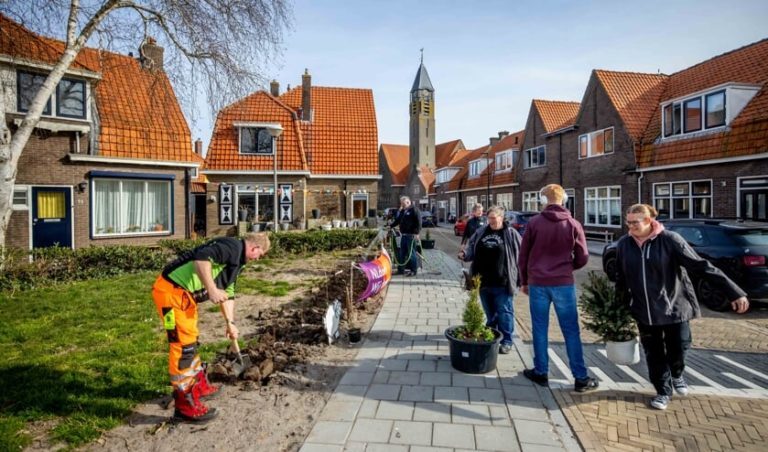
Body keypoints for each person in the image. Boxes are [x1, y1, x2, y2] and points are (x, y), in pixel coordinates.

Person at [615, 204, 749, 410]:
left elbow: (701, 266)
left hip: (674, 307)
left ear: (649, 221)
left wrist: (734, 291)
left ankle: (677, 373)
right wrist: (620, 307)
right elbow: (622, 277)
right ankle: (662, 391)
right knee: (653, 353)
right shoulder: (624, 244)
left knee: (679, 347)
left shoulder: (669, 240)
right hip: (644, 311)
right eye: (628, 222)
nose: (630, 226)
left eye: (635, 222)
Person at [152, 232, 270, 422]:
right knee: (182, 347)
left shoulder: (237, 261)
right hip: (170, 293)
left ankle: (198, 386)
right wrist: (212, 289)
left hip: (183, 296)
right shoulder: (233, 247)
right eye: (260, 255)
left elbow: (228, 293)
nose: (258, 259)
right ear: (255, 248)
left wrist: (230, 323)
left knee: (191, 341)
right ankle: (184, 404)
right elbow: (201, 259)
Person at [518, 184, 598, 392]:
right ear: (563, 200)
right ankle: (580, 378)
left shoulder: (534, 223)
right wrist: (567, 268)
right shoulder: (573, 224)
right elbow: (583, 257)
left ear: (543, 201)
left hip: (538, 284)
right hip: (563, 283)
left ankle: (541, 372)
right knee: (571, 330)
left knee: (539, 328)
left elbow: (523, 256)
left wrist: (524, 280)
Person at [458, 205, 521, 354]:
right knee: (490, 313)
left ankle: (506, 341)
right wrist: (464, 255)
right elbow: (471, 249)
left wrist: (522, 278)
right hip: (483, 280)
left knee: (505, 312)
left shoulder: (511, 234)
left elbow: (522, 255)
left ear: (501, 217)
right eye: (489, 218)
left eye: (494, 218)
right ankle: (493, 337)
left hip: (503, 281)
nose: (491, 221)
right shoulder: (481, 232)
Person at [390, 195, 422, 276]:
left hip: (411, 235)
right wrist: (390, 226)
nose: (402, 206)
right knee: (402, 253)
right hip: (403, 235)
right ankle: (400, 270)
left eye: (403, 204)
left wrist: (417, 233)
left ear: (408, 202)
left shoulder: (414, 210)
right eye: (401, 204)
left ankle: (413, 270)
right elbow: (398, 220)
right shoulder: (403, 211)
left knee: (412, 253)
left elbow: (419, 222)